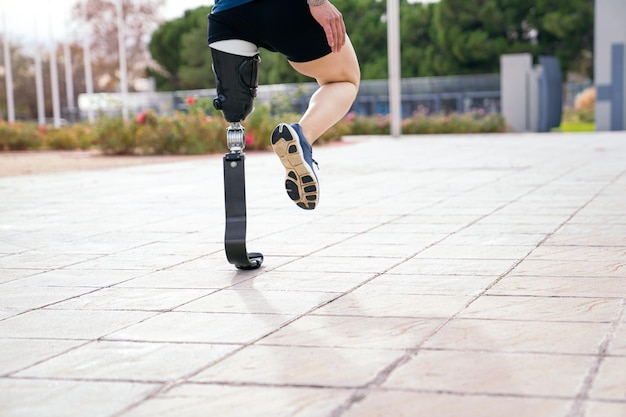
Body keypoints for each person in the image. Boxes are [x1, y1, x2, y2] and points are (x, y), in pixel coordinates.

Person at [208, 0, 360, 210]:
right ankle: (302, 135)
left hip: (227, 16)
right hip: (283, 8)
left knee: (235, 111)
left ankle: (235, 208)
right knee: (344, 81)